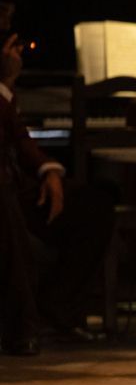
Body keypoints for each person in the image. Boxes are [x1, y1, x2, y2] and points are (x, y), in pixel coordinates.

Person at [1, 29, 115, 355]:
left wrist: (48, 169)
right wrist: (6, 83)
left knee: (94, 204)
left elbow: (20, 138)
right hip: (5, 190)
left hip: (18, 183)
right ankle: (21, 327)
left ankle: (57, 307)